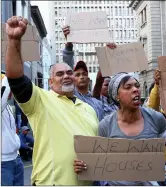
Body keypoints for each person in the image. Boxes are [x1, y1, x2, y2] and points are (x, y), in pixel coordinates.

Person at [5, 16, 99, 185]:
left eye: (69, 72)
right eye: (60, 74)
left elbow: (96, 153)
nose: (66, 76)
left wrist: (91, 165)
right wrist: (14, 40)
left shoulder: (89, 109)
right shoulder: (40, 100)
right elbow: (16, 77)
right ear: (50, 82)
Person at [74, 72, 166, 186]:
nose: (135, 90)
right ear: (116, 96)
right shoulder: (106, 125)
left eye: (136, 86)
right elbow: (99, 159)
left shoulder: (156, 118)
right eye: (128, 87)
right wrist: (83, 165)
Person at [62, 25, 118, 117]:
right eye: (77, 75)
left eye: (84, 74)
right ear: (72, 79)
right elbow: (67, 66)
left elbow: (100, 78)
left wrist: (109, 55)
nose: (82, 77)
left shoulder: (96, 102)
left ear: (88, 79)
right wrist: (68, 45)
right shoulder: (71, 96)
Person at [1, 74, 24, 186]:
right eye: (10, 88)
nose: (11, 92)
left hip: (16, 158)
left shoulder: (8, 107)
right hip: (3, 163)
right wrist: (9, 76)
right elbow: (3, 93)